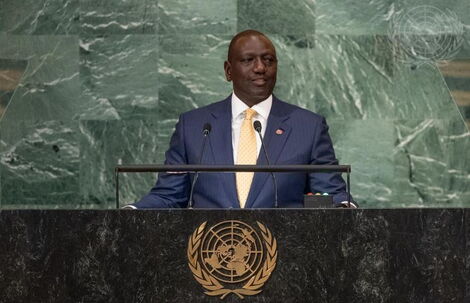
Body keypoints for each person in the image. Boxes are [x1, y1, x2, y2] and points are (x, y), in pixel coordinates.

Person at [126, 30, 357, 209]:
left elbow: (331, 194)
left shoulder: (308, 126)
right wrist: (131, 212)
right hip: (210, 257)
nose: (260, 68)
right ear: (228, 71)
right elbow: (169, 195)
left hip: (287, 258)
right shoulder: (194, 126)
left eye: (268, 60)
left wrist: (345, 208)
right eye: (248, 60)